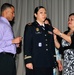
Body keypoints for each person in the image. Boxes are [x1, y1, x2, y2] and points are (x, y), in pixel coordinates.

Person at [24, 6, 61, 75]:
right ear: (35, 15)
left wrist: (54, 59)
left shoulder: (49, 28)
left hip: (48, 61)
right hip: (36, 61)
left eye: (45, 13)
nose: (44, 15)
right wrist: (28, 60)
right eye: (41, 13)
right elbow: (27, 44)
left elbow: (51, 45)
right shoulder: (30, 27)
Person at [0, 3, 22, 75]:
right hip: (4, 58)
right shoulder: (1, 24)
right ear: (6, 12)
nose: (14, 15)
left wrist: (15, 44)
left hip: (10, 59)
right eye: (12, 13)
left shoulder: (6, 25)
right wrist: (12, 41)